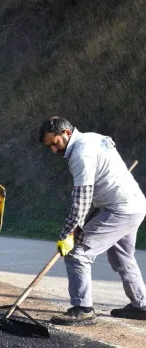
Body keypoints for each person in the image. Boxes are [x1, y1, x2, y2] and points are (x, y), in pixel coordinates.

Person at [38, 116, 146, 325]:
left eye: (55, 143)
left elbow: (82, 199)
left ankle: (83, 309)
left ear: (67, 134)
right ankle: (141, 306)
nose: (53, 150)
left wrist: (68, 233)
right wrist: (77, 227)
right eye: (49, 146)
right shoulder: (94, 139)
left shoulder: (81, 154)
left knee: (77, 253)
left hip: (120, 209)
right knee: (122, 257)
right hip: (134, 205)